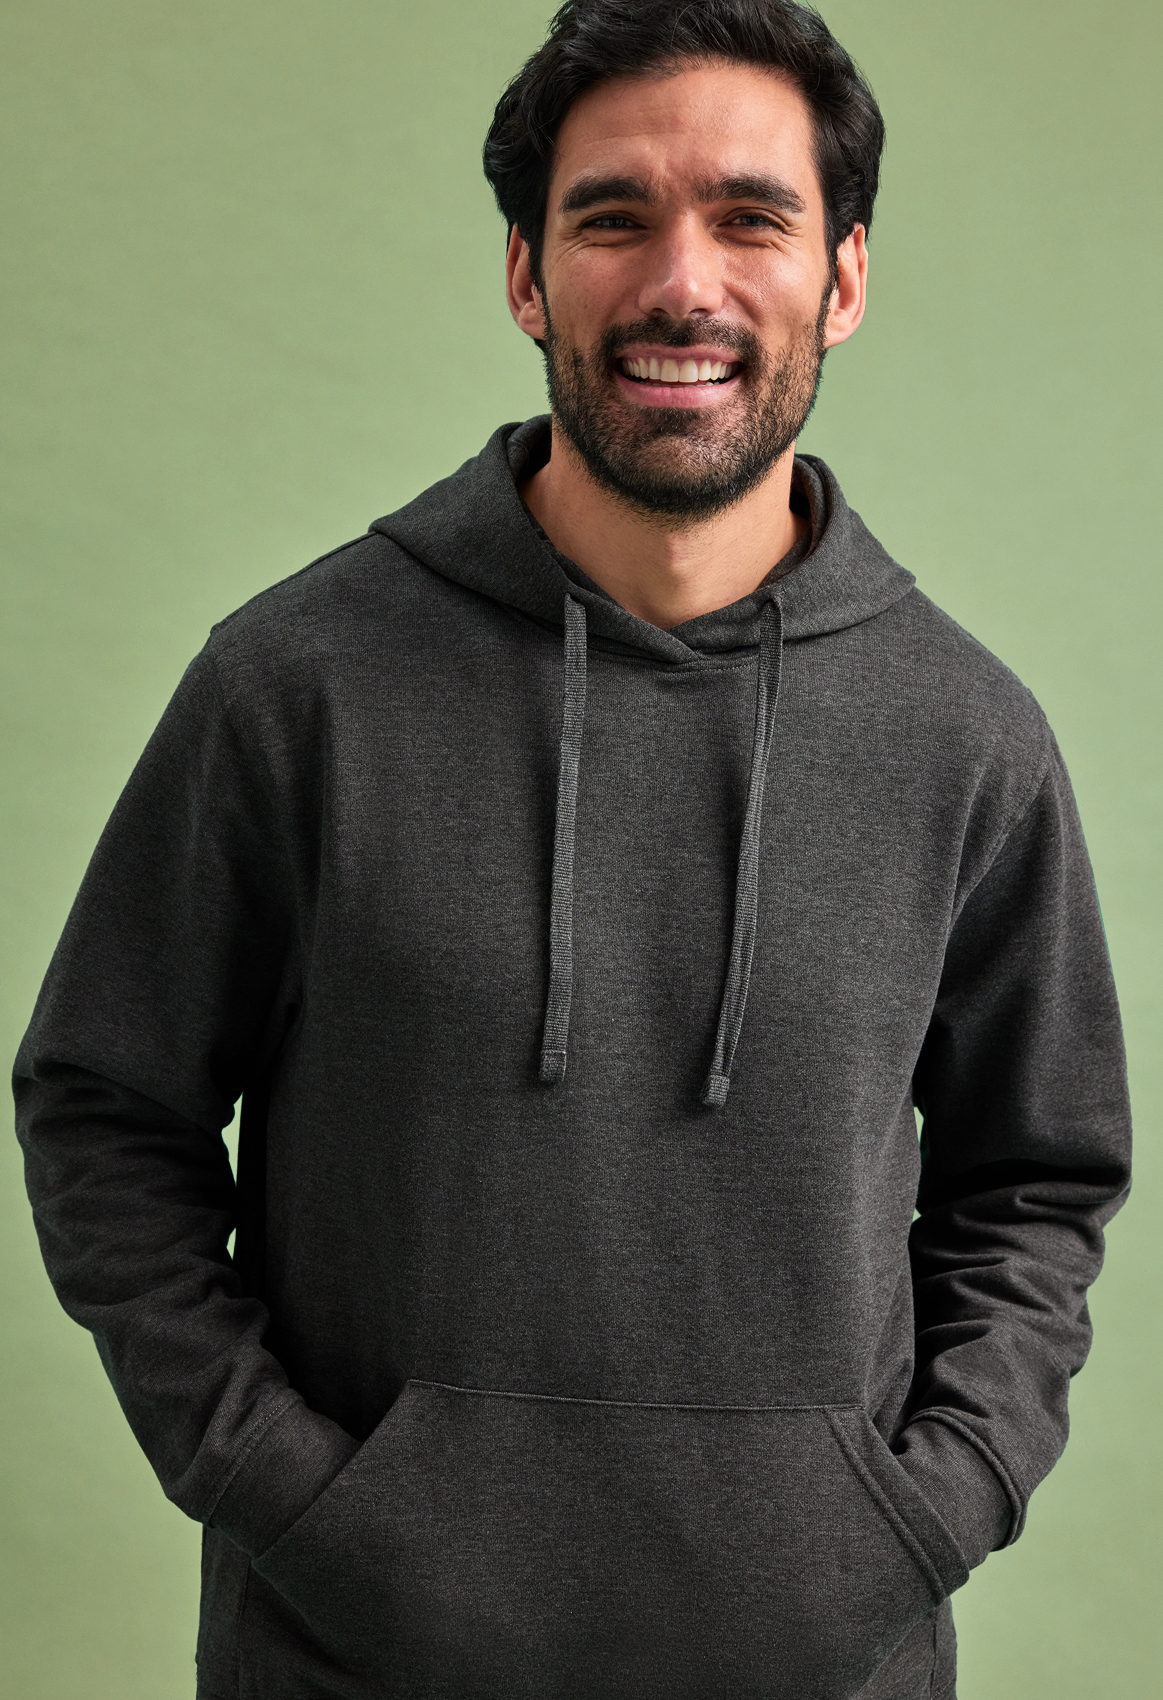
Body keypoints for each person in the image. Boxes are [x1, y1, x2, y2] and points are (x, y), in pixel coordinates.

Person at [13, 2, 1132, 1697]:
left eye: (751, 217)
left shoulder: (968, 740)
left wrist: (923, 1515)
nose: (683, 282)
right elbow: (105, 1107)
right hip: (348, 1665)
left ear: (841, 278)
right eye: (614, 216)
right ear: (528, 277)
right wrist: (292, 1496)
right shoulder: (294, 688)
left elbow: (1037, 1182)